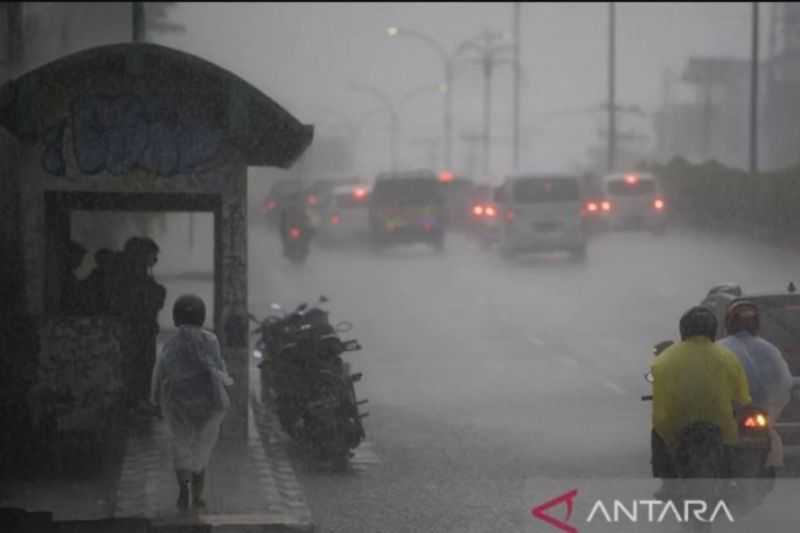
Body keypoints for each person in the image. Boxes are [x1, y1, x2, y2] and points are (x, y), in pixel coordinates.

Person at [650, 306, 752, 495]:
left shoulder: (664, 361)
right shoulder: (728, 358)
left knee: (657, 434)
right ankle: (731, 482)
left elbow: (660, 411)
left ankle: (667, 484)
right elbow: (742, 399)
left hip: (677, 428)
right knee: (734, 448)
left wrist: (670, 437)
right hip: (721, 427)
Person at [149, 294, 233, 511]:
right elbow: (219, 368)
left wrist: (155, 401)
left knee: (181, 447)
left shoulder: (170, 344)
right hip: (208, 405)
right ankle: (198, 495)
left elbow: (160, 374)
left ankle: (183, 491)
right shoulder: (210, 340)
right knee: (201, 450)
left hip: (178, 405)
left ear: (176, 318)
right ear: (202, 317)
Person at [717, 300, 797, 467]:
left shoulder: (718, 349)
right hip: (758, 415)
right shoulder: (770, 349)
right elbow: (784, 384)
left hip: (731, 416)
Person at [114, 237, 167, 409]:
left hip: (144, 329)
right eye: (153, 255)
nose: (155, 259)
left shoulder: (136, 277)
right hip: (136, 330)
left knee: (143, 364)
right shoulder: (131, 279)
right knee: (138, 364)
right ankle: (136, 400)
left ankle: (139, 399)